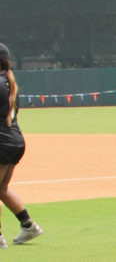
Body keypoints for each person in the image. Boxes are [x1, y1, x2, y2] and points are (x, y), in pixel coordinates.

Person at [0, 43, 43, 247]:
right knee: (2, 188)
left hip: (2, 141)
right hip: (14, 140)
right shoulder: (9, 82)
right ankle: (28, 226)